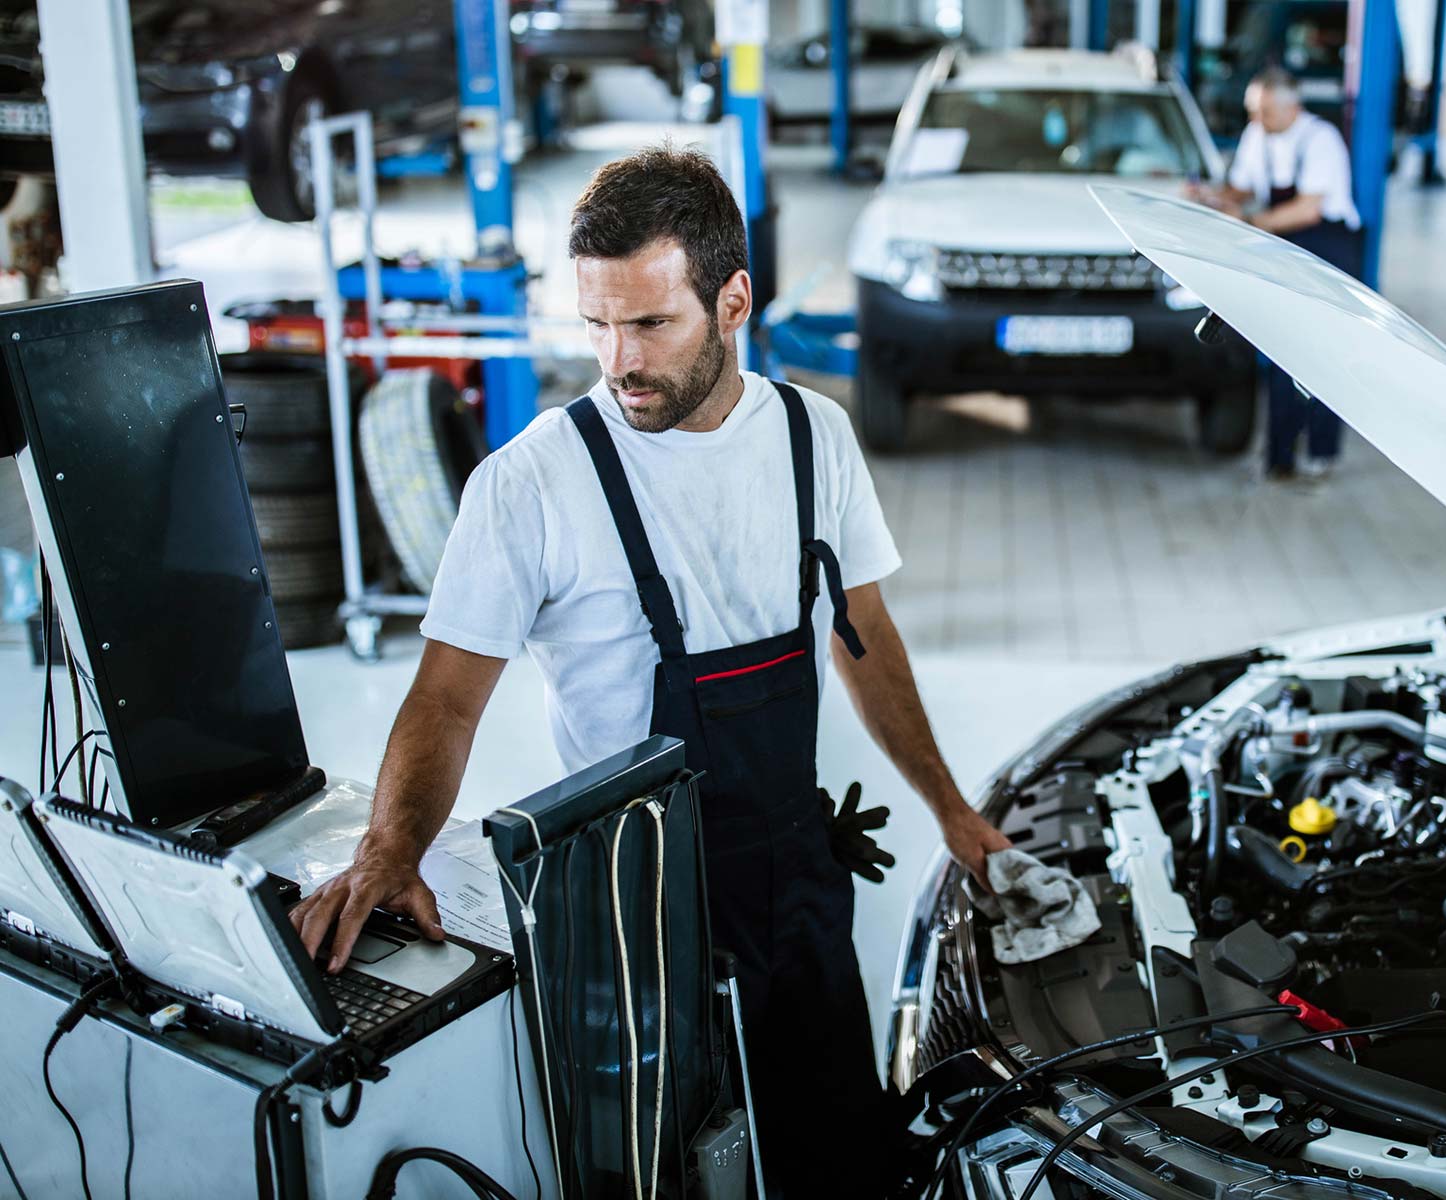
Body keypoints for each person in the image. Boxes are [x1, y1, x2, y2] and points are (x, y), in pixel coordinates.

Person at [288, 144, 1011, 1197]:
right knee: (673, 1169)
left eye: (647, 324)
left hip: (796, 880)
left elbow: (864, 632)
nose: (616, 361)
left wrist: (949, 807)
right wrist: (388, 848)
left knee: (839, 1152)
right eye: (595, 325)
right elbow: (446, 693)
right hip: (635, 920)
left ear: (733, 302)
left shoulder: (817, 440)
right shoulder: (532, 482)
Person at [1188, 66, 1364, 480]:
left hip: (1328, 249)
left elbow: (1309, 208)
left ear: (1292, 107)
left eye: (1265, 111)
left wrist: (1250, 222)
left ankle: (1321, 453)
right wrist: (1211, 197)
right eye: (1253, 111)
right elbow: (1244, 187)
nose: (1256, 120)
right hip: (1284, 247)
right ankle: (1279, 458)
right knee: (1284, 347)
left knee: (1322, 353)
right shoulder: (1257, 136)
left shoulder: (1322, 140)